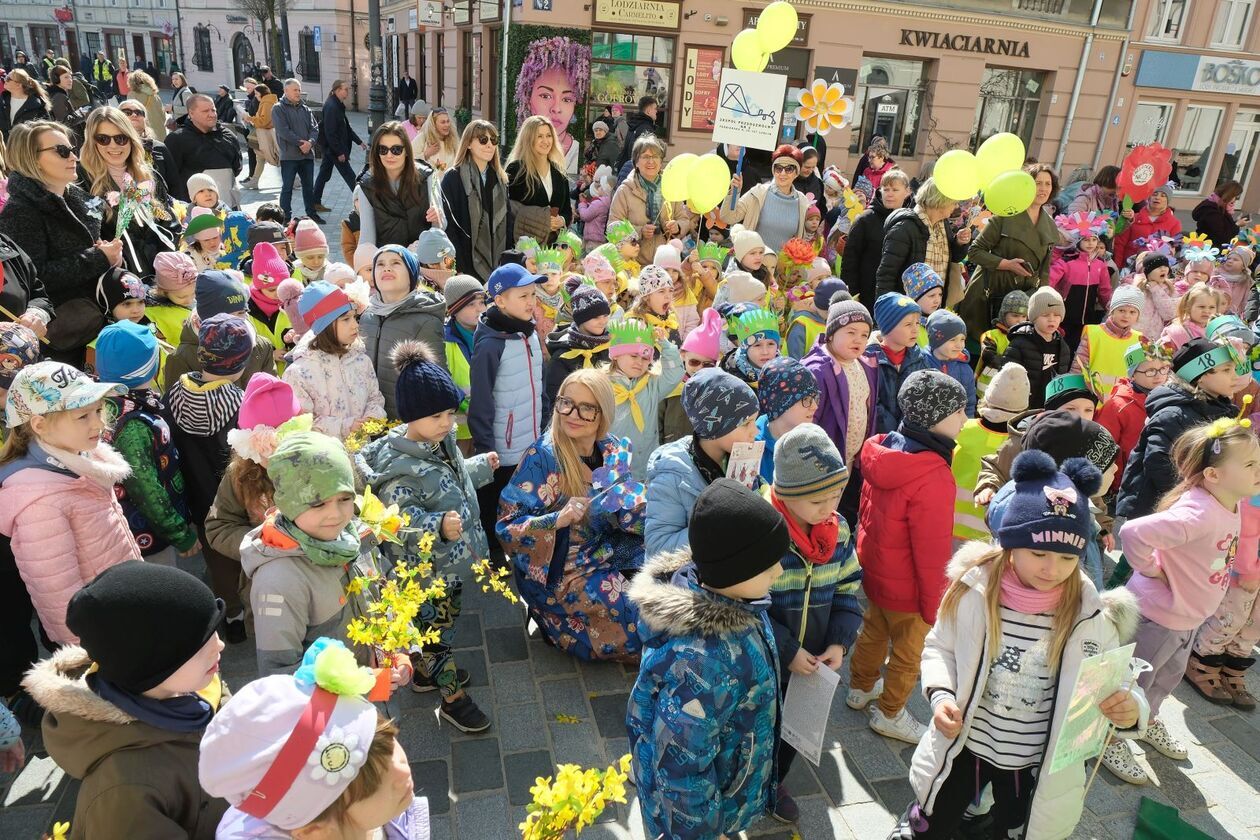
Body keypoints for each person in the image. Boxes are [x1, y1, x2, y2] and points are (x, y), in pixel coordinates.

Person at [893, 451, 1147, 837]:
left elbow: (1116, 679)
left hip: (1032, 761)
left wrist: (1131, 709)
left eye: (1067, 558)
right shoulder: (974, 590)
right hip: (965, 743)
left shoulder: (1089, 615)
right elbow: (940, 647)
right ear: (1010, 545)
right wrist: (942, 695)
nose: (1051, 569)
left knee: (1015, 825)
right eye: (1038, 553)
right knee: (937, 813)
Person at [627, 478, 788, 838]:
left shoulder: (738, 600)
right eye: (767, 566)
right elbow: (682, 773)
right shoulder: (703, 663)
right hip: (692, 822)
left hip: (724, 792)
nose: (778, 572)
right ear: (734, 570)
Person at [23, 561, 229, 839]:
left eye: (215, 632)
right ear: (152, 665)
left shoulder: (196, 687)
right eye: (201, 643)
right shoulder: (126, 789)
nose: (220, 645)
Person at [355, 342, 495, 731]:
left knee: (441, 628)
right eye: (437, 415)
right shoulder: (399, 467)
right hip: (423, 572)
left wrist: (480, 468)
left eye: (451, 413)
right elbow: (400, 519)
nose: (448, 422)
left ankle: (423, 674)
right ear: (412, 415)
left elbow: (451, 481)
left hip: (447, 565)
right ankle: (453, 699)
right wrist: (436, 527)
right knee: (434, 636)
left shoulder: (438, 441)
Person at [1117, 420, 1259, 770]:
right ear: (1213, 474)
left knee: (1166, 678)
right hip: (1159, 617)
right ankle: (1111, 736)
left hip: (1186, 618)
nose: (1259, 469)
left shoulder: (1230, 501)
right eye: (1250, 464)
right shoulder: (1198, 513)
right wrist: (1150, 569)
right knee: (1134, 680)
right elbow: (1133, 533)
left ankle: (1145, 720)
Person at [198, 639, 430, 838]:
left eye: (387, 743)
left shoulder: (378, 810)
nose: (401, 770)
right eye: (375, 782)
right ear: (313, 832)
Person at [848, 370, 967, 744]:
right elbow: (932, 552)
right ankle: (891, 712)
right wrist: (934, 605)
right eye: (959, 411)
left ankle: (860, 687)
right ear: (934, 418)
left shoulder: (883, 450)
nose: (965, 419)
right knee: (908, 652)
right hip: (910, 589)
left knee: (872, 630)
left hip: (876, 572)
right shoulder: (932, 474)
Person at [498, 368, 645, 660]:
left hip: (604, 546)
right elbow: (506, 527)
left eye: (587, 407)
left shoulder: (612, 449)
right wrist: (556, 519)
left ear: (602, 413)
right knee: (632, 610)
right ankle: (558, 628)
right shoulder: (542, 458)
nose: (573, 414)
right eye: (566, 402)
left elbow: (627, 507)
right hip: (563, 567)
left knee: (661, 578)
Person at [764, 423, 862, 819]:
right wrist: (786, 649)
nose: (829, 507)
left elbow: (847, 587)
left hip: (811, 664)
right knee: (756, 727)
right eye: (817, 500)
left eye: (836, 494)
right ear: (786, 497)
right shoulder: (764, 531)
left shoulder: (836, 531)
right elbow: (747, 605)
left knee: (792, 734)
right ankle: (744, 782)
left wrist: (839, 641)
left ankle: (773, 783)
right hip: (768, 658)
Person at [0, 362, 136, 645]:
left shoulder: (81, 459)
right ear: (39, 424)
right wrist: (85, 649)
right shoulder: (40, 503)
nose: (98, 423)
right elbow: (57, 594)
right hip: (99, 638)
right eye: (82, 416)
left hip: (122, 610)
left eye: (98, 410)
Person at [241, 431, 388, 678]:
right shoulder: (278, 581)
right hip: (332, 713)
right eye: (318, 503)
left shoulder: (355, 536)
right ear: (289, 504)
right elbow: (279, 677)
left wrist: (402, 650)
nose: (336, 514)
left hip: (375, 701)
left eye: (344, 498)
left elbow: (385, 591)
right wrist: (357, 681)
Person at [0, 122, 121, 364]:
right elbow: (33, 279)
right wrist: (98, 258)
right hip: (62, 334)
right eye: (62, 151)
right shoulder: (20, 211)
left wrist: (109, 254)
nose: (74, 156)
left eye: (71, 148)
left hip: (95, 319)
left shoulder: (77, 198)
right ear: (32, 159)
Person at [202, 373, 302, 643]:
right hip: (268, 590)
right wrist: (261, 542)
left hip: (323, 587)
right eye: (267, 448)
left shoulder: (322, 463)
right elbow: (218, 526)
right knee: (279, 662)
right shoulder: (240, 476)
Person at [95, 321, 198, 566]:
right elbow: (144, 487)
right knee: (166, 589)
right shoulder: (132, 424)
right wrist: (180, 534)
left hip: (142, 525)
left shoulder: (106, 401)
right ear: (152, 367)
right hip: (148, 536)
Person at [1116, 337, 1240, 527]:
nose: (1235, 376)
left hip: (1200, 506)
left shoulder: (1223, 409)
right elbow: (1159, 463)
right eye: (1226, 370)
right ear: (1201, 376)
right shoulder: (1173, 414)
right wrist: (1194, 498)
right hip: (1159, 510)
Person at [468, 263, 545, 559]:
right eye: (522, 296)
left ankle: (525, 547)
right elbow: (482, 401)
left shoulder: (530, 333)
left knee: (526, 500)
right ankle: (495, 552)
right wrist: (486, 449)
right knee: (496, 503)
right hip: (503, 447)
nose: (531, 302)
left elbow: (539, 383)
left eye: (533, 294)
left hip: (532, 439)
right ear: (499, 300)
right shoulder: (491, 345)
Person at [644, 368, 760, 556]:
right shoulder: (672, 475)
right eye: (746, 423)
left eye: (754, 422)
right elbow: (659, 545)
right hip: (685, 581)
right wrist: (721, 525)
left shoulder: (740, 458)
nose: (754, 431)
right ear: (716, 424)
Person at [959, 164, 1060, 342]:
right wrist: (1006, 264)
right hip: (989, 294)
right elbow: (974, 252)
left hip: (1022, 302)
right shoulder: (1005, 215)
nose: (1043, 188)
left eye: (1048, 184)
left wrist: (1042, 304)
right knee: (981, 350)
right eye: (1037, 183)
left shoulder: (1050, 225)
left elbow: (1044, 272)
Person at [79, 107, 180, 277]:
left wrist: (169, 263)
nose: (113, 145)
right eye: (103, 139)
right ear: (92, 141)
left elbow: (170, 223)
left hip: (165, 274)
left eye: (120, 138)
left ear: (131, 139)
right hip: (120, 281)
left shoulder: (149, 175)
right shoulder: (82, 181)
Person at [284, 281, 385, 439]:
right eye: (346, 319)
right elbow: (302, 423)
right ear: (324, 325)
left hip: (363, 453)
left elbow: (375, 397)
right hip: (325, 458)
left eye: (354, 318)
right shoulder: (298, 373)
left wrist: (372, 418)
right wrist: (345, 427)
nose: (355, 326)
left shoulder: (361, 360)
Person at [360, 244, 446, 419]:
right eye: (380, 264)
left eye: (396, 263)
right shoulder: (367, 315)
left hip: (405, 423)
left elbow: (436, 380)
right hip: (368, 418)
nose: (387, 268)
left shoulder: (425, 320)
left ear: (412, 276)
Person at [350, 121, 438, 272]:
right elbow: (367, 239)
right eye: (383, 150)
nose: (389, 155)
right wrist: (365, 271)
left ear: (407, 151)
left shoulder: (427, 177)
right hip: (387, 267)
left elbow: (439, 230)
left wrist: (438, 218)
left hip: (424, 266)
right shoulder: (366, 186)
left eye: (396, 150)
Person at [606, 319, 683, 480]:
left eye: (645, 358)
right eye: (634, 356)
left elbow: (675, 374)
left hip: (645, 468)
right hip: (611, 469)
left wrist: (665, 345)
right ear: (616, 354)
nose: (639, 362)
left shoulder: (651, 385)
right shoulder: (602, 384)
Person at [440, 120, 514, 283]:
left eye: (493, 140)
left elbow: (508, 222)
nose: (489, 145)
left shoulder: (500, 179)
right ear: (468, 144)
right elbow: (448, 228)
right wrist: (457, 268)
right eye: (482, 140)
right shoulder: (452, 178)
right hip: (464, 265)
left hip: (498, 265)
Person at [875, 178, 967, 299]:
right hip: (907, 309)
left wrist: (959, 243)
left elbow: (953, 258)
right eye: (953, 202)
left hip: (934, 306)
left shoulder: (943, 225)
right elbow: (886, 276)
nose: (956, 206)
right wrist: (887, 310)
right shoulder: (904, 228)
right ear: (940, 201)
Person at [608, 134, 693, 263]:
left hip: (666, 263)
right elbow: (613, 227)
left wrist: (678, 227)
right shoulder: (625, 190)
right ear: (636, 162)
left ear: (661, 161)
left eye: (655, 156)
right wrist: (639, 231)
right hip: (634, 264)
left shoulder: (671, 186)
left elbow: (684, 219)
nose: (651, 161)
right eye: (646, 157)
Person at [719, 144, 813, 253]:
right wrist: (734, 192)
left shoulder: (803, 202)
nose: (783, 173)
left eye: (789, 169)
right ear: (773, 171)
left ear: (797, 172)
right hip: (755, 265)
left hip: (784, 268)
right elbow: (728, 217)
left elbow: (803, 240)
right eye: (778, 168)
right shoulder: (758, 193)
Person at [840, 168, 912, 307]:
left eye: (895, 190)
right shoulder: (865, 220)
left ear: (907, 192)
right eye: (886, 189)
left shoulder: (911, 221)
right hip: (866, 296)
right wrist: (852, 295)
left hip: (899, 299)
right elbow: (850, 261)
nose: (889, 194)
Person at [866, 292, 931, 432]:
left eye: (917, 323)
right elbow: (873, 403)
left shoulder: (920, 359)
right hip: (879, 436)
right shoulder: (869, 360)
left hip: (910, 434)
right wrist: (894, 431)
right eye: (908, 324)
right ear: (888, 327)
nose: (915, 330)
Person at [506, 115, 573, 247]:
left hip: (553, 248)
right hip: (524, 246)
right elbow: (511, 210)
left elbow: (567, 210)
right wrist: (542, 220)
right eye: (539, 136)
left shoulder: (559, 173)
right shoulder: (516, 170)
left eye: (548, 136)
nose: (545, 141)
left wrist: (562, 220)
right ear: (528, 139)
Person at [164, 94, 243, 204]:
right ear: (191, 113)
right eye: (205, 111)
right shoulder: (176, 139)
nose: (212, 114)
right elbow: (170, 176)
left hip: (228, 205)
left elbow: (237, 167)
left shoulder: (228, 135)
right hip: (192, 210)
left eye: (213, 110)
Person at [1002, 286, 1072, 409]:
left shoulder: (1063, 347)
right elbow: (1006, 377)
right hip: (1021, 407)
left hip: (1049, 408)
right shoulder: (1020, 343)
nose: (1052, 319)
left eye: (1056, 315)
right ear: (1034, 317)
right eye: (1045, 315)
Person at [1072, 284, 1145, 400]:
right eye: (1121, 310)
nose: (1126, 315)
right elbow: (1078, 368)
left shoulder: (1138, 339)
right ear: (1112, 310)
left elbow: (1138, 375)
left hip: (1122, 405)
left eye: (1132, 312)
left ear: (1138, 316)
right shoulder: (1093, 333)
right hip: (1092, 403)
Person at [272, 79, 323, 224]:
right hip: (289, 156)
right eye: (295, 90)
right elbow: (283, 131)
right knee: (287, 187)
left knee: (308, 187)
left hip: (307, 155)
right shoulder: (278, 108)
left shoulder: (305, 109)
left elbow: (315, 129)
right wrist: (301, 143)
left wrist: (311, 143)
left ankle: (311, 213)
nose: (298, 93)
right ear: (286, 91)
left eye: (299, 90)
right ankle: (285, 217)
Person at [312, 80, 365, 213]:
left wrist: (359, 141)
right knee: (350, 176)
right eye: (345, 89)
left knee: (323, 174)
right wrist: (339, 152)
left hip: (332, 149)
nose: (348, 91)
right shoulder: (332, 106)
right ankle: (364, 203)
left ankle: (315, 202)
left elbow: (346, 128)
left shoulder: (337, 104)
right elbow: (331, 132)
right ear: (337, 90)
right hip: (334, 149)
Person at [1113, 184, 1181, 267]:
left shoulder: (1174, 223)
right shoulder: (1133, 218)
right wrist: (1117, 267)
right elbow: (1119, 244)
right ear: (1148, 198)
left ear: (1168, 201)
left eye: (1163, 196)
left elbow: (1173, 249)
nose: (1157, 198)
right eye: (1154, 194)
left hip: (1155, 268)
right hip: (1130, 265)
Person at [975, 290, 1028, 393]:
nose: (1020, 321)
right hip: (986, 391)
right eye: (1015, 316)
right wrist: (1017, 363)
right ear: (1004, 315)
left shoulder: (1026, 337)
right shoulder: (990, 335)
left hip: (1011, 392)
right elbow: (989, 357)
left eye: (1024, 316)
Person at [239, 82, 278, 189]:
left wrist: (249, 118)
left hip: (266, 134)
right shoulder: (267, 102)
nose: (255, 96)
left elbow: (264, 121)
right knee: (261, 157)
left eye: (256, 94)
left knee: (274, 157)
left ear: (262, 93)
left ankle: (296, 180)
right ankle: (254, 181)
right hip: (265, 134)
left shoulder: (266, 103)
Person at [1159, 281, 1217, 351]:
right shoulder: (1177, 332)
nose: (1207, 311)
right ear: (1188, 307)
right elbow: (1162, 356)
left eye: (1212, 307)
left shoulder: (1217, 330)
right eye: (1201, 307)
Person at [0, 69, 51, 140]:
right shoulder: (2, 100)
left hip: (27, 148)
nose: (5, 80)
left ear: (18, 85)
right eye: (5, 77)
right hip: (4, 148)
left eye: (8, 79)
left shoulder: (37, 105)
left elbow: (46, 130)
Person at [1194, 179, 1244, 246]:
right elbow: (1223, 236)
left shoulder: (1219, 205)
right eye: (1235, 197)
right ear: (1229, 195)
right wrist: (1237, 225)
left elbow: (1223, 226)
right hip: (1209, 247)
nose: (1235, 200)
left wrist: (1236, 222)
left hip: (1214, 244)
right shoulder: (1211, 210)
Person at [617, 95, 660, 170]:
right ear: (648, 111)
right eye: (655, 109)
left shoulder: (634, 124)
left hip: (626, 169)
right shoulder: (646, 129)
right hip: (636, 173)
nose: (657, 111)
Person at [127, 69, 167, 141]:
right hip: (160, 132)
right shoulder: (155, 95)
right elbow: (163, 116)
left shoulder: (132, 95)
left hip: (145, 134)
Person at [416, 106, 458, 172]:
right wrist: (426, 154)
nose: (447, 125)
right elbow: (409, 159)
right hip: (429, 181)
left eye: (448, 121)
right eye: (443, 122)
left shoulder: (453, 140)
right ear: (434, 124)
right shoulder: (423, 138)